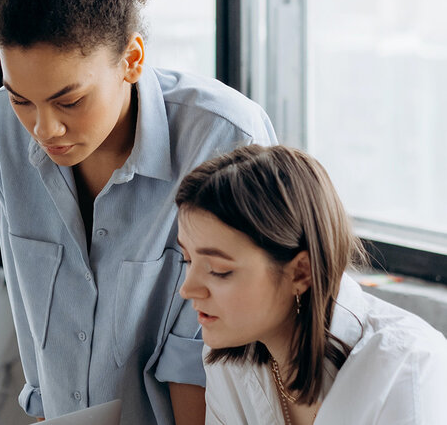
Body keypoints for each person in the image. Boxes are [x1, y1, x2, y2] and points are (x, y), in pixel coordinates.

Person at [0, 0, 278, 422]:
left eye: (69, 99)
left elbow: (207, 356)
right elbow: (37, 332)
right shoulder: (1, 126)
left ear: (132, 59)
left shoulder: (225, 139)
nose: (43, 128)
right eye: (21, 99)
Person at [177, 144, 447, 424]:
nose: (188, 289)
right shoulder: (230, 358)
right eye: (186, 260)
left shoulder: (407, 367)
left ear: (301, 273)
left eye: (219, 270)